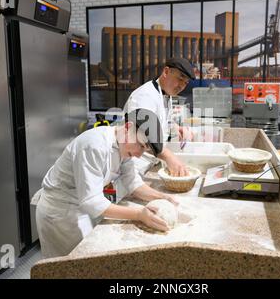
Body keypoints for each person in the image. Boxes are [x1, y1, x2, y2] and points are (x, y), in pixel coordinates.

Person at [33, 108, 178, 258]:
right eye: (141, 145)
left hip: (80, 207)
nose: (139, 154)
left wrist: (162, 198)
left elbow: (132, 182)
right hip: (60, 214)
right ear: (127, 128)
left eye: (145, 149)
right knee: (64, 269)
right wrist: (140, 214)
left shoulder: (123, 144)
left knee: (85, 264)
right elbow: (92, 201)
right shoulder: (94, 145)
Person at [124, 57, 196, 177]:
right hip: (134, 164)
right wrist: (169, 156)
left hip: (151, 162)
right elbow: (146, 131)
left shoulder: (166, 95)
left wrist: (176, 127)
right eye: (180, 78)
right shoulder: (145, 95)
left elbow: (161, 119)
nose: (182, 86)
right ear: (166, 72)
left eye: (186, 82)